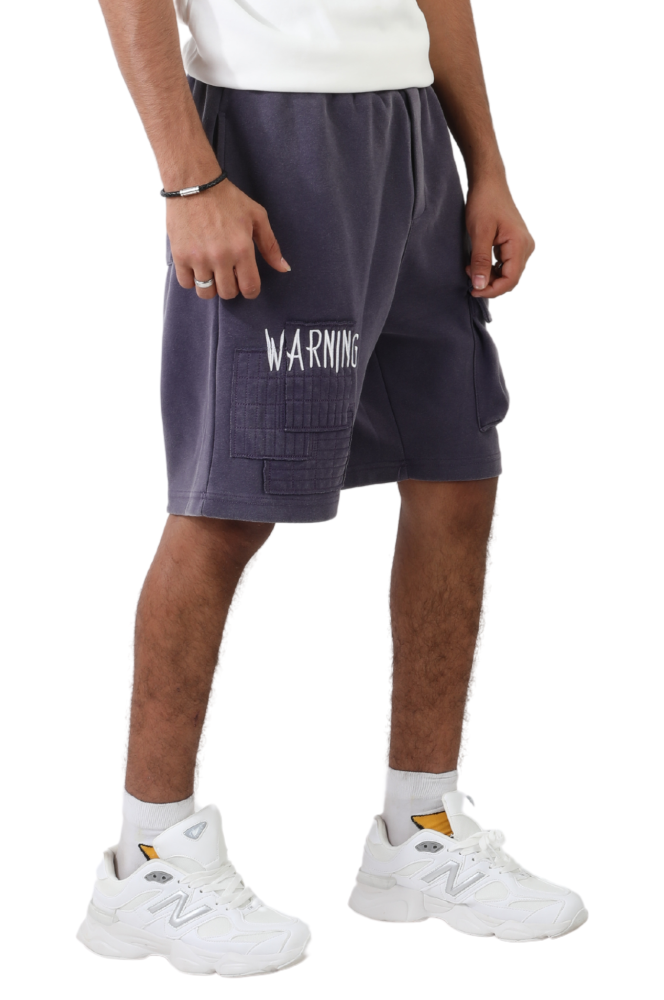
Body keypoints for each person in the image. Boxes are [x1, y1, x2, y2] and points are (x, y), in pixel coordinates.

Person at [77, 0, 586, 978]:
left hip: (411, 138)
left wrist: (485, 165)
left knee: (457, 471)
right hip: (274, 135)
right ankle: (147, 857)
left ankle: (419, 832)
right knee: (229, 504)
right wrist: (190, 179)